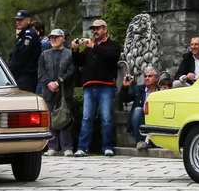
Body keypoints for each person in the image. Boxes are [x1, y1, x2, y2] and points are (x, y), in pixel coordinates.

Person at [71, 19, 121, 157]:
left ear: (105, 29)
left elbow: (111, 55)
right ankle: (82, 148)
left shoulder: (113, 44)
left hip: (106, 86)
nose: (95, 31)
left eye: (97, 29)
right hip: (89, 86)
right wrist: (74, 50)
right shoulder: (89, 47)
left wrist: (93, 46)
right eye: (93, 29)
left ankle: (107, 147)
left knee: (106, 117)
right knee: (87, 118)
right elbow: (77, 62)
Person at [37, 28, 75, 156]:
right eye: (51, 37)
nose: (53, 39)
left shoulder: (70, 54)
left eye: (56, 37)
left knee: (65, 118)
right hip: (49, 92)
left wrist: (58, 82)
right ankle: (52, 147)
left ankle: (67, 147)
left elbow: (71, 71)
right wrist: (49, 83)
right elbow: (41, 72)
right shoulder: (44, 54)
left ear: (63, 39)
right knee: (50, 120)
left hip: (65, 92)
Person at [119, 67, 160, 149]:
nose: (147, 78)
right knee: (138, 110)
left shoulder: (161, 90)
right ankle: (140, 141)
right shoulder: (138, 89)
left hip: (156, 118)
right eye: (145, 76)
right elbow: (124, 99)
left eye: (150, 76)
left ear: (157, 78)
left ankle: (154, 141)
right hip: (141, 118)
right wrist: (125, 87)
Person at [8, 9, 41, 92]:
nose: (18, 22)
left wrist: (8, 71)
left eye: (21, 20)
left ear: (28, 20)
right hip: (19, 76)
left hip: (27, 76)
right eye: (17, 20)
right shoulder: (23, 35)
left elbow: (21, 57)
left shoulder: (29, 35)